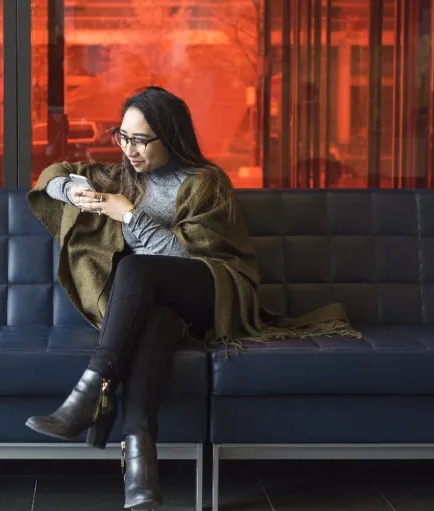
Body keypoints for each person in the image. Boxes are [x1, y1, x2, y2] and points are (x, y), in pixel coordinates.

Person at [24, 86, 359, 509]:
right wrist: (73, 192)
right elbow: (52, 174)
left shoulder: (205, 182)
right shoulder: (123, 175)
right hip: (158, 304)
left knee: (136, 268)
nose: (129, 148)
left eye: (141, 140)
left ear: (172, 136)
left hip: (214, 290)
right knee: (158, 320)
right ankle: (140, 473)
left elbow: (189, 257)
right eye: (122, 136)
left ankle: (90, 394)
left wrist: (128, 215)